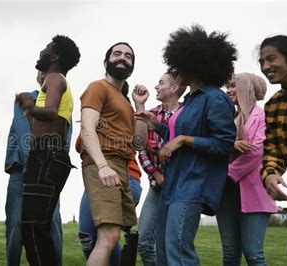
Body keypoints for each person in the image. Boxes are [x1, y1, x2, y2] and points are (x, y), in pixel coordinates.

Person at [136, 25, 237, 264]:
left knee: (179, 252)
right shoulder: (190, 101)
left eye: (178, 65)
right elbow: (179, 133)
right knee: (163, 251)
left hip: (193, 185)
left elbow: (224, 144)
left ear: (194, 65)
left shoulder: (215, 98)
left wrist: (182, 140)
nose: (175, 70)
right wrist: (158, 125)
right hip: (173, 184)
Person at [80, 42, 148, 265]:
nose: (123, 58)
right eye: (117, 53)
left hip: (122, 167)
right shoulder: (98, 87)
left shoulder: (126, 103)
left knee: (115, 236)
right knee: (107, 237)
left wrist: (139, 108)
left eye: (128, 56)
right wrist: (102, 166)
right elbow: (87, 128)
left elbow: (139, 143)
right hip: (104, 163)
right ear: (106, 61)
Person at [15, 35, 80, 266]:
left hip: (47, 155)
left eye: (45, 48)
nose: (40, 51)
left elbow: (51, 112)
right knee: (37, 229)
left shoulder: (54, 78)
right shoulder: (55, 81)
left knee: (33, 229)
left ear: (54, 55)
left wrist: (30, 106)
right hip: (49, 155)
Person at [4, 73, 71, 265]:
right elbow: (23, 132)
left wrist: (50, 165)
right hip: (24, 170)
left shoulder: (63, 101)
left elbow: (63, 138)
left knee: (51, 225)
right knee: (16, 228)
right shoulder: (26, 99)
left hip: (46, 171)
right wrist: (35, 166)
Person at [215, 73, 276, 265]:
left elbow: (257, 151)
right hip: (226, 193)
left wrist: (228, 174)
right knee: (230, 253)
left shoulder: (263, 116)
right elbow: (217, 146)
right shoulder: (226, 118)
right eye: (228, 86)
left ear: (247, 88)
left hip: (253, 192)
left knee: (253, 253)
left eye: (234, 85)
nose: (229, 90)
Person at [258, 35, 287, 264]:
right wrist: (271, 173)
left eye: (271, 59)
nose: (266, 67)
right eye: (262, 62)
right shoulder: (274, 105)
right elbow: (272, 147)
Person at [137, 72, 186, 265]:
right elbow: (140, 147)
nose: (156, 87)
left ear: (174, 88)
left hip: (180, 189)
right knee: (144, 241)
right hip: (157, 187)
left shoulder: (186, 115)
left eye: (161, 83)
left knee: (171, 244)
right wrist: (156, 174)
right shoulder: (151, 114)